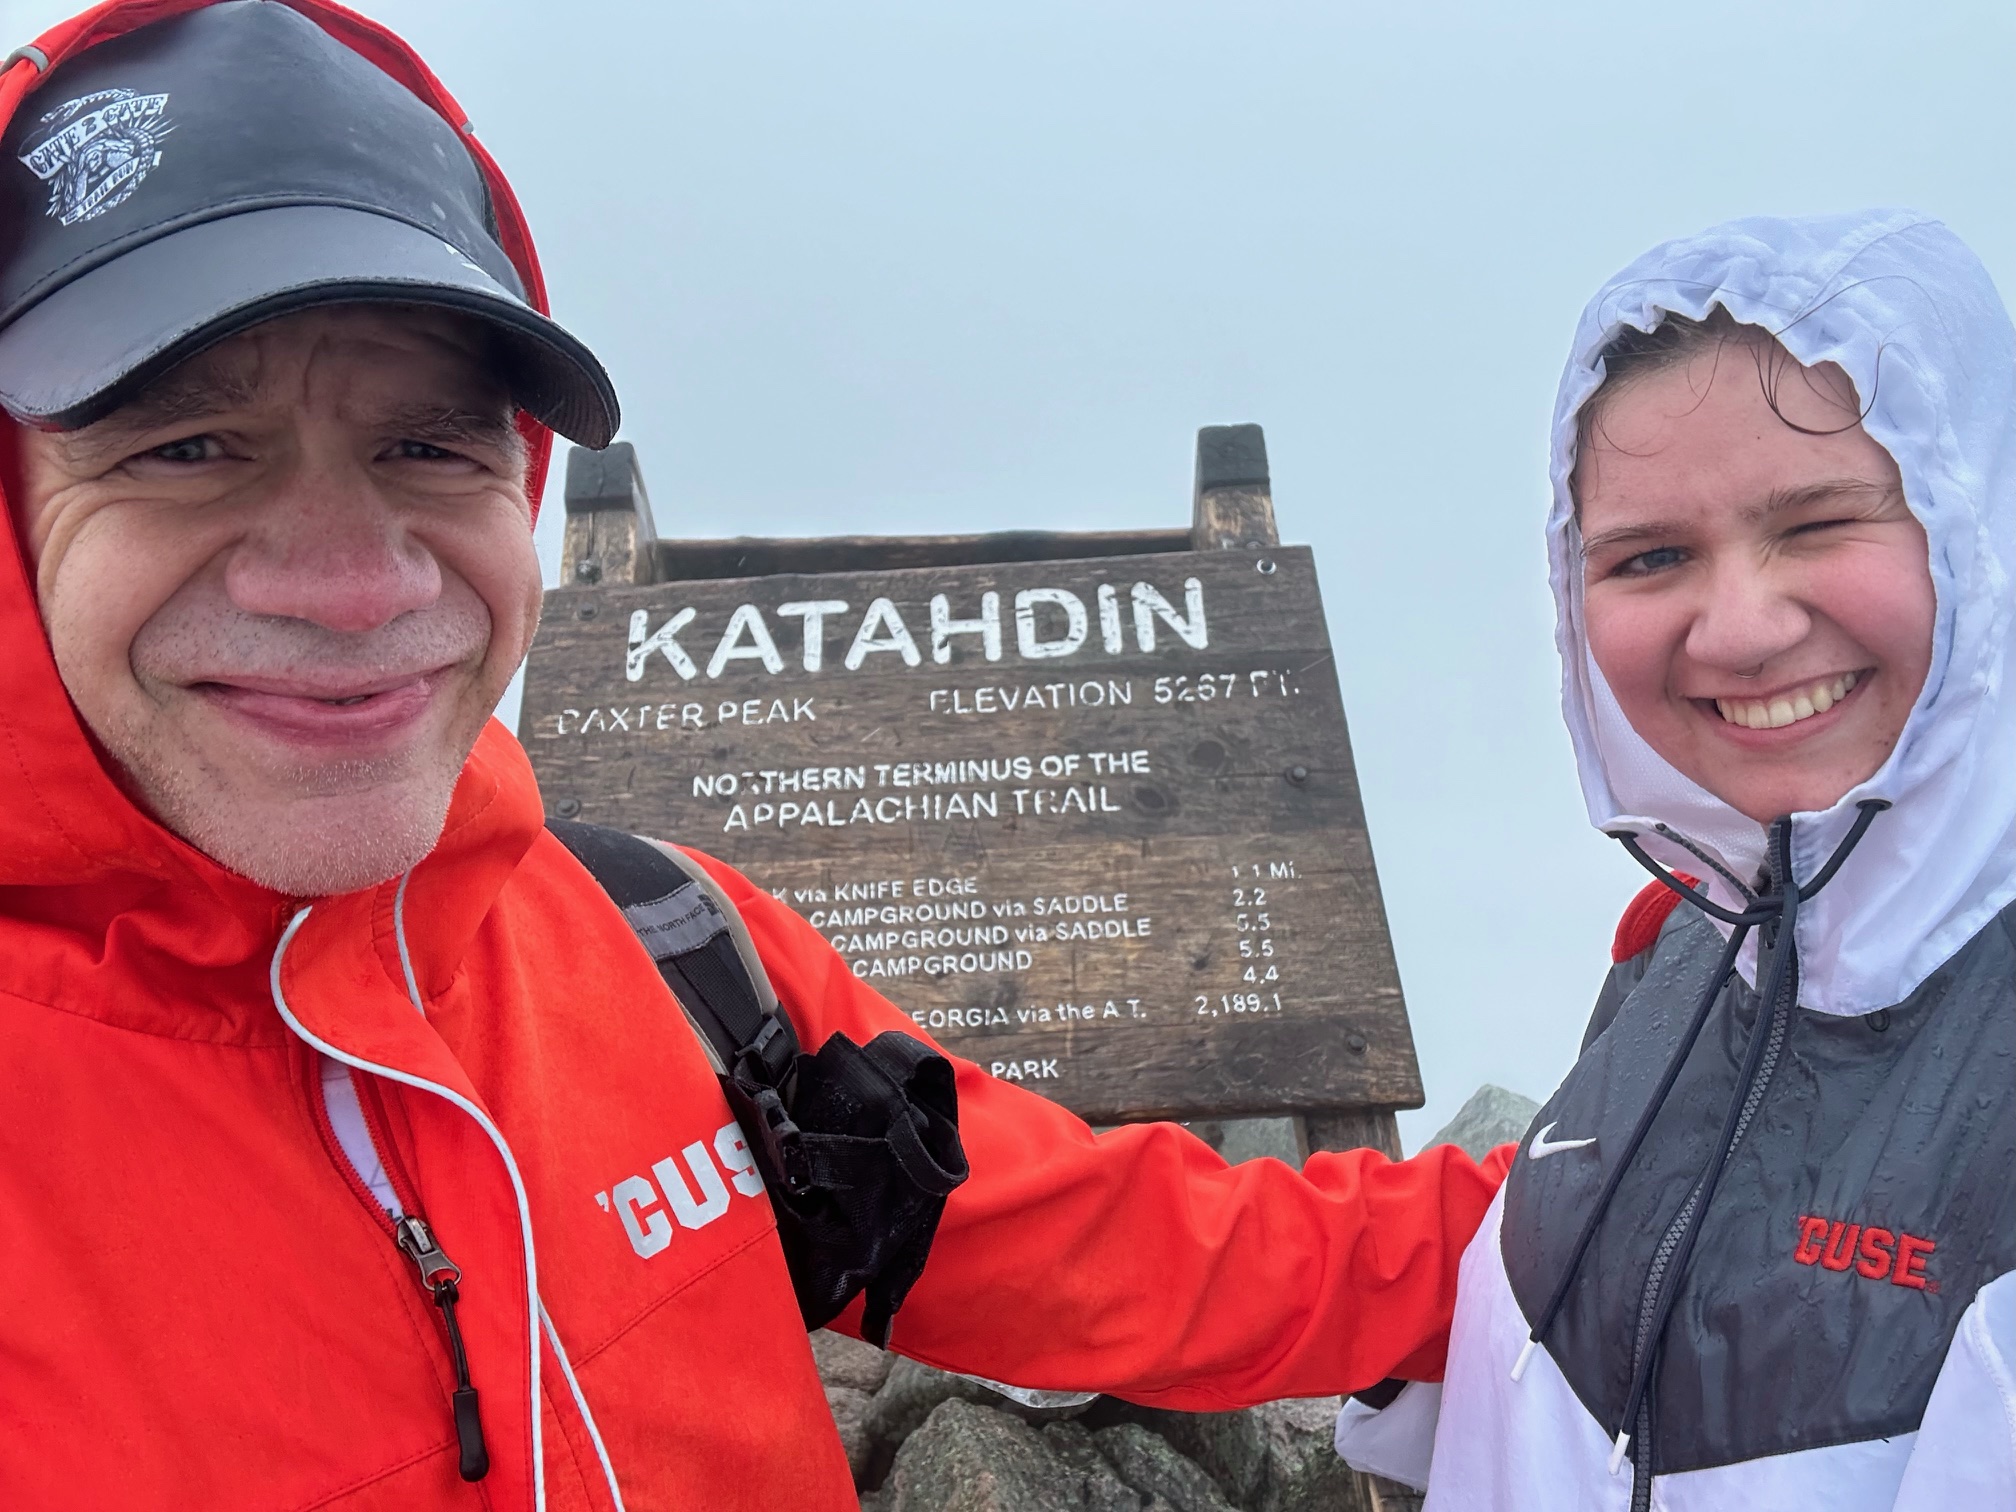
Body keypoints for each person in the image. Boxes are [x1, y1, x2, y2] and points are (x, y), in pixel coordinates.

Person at [0, 4, 1513, 1507]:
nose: (355, 582)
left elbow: (1107, 1242)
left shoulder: (671, 950)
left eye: (427, 445)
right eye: (185, 447)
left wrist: (1586, 1221)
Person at [1336, 210, 2016, 1507]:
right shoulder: (1697, 949)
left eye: (1819, 524)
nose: (1743, 629)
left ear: (1981, 527)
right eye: (1651, 556)